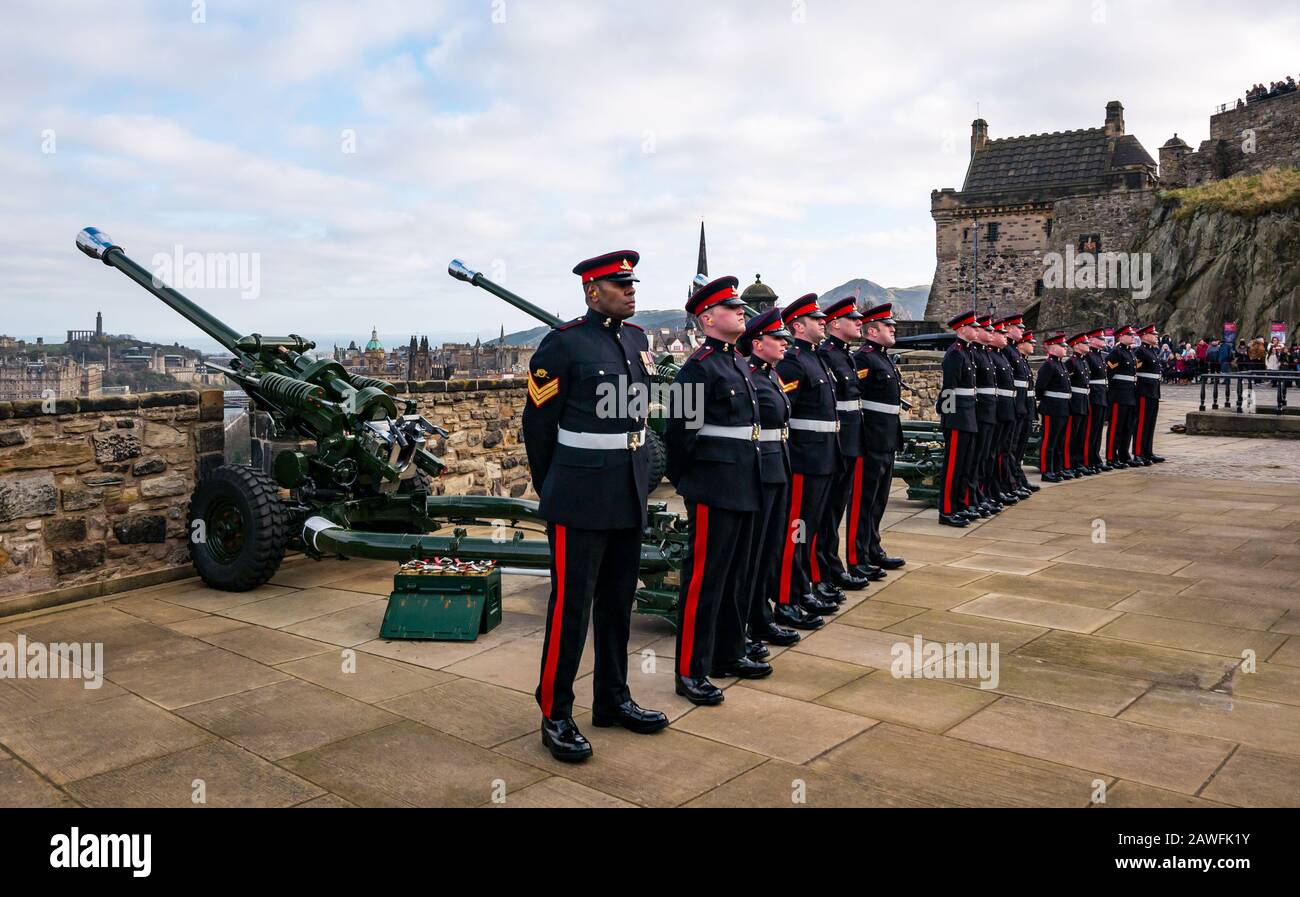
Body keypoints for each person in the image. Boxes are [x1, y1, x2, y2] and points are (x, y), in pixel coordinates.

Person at [523, 250, 668, 762]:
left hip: (627, 490)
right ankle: (555, 712)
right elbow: (538, 429)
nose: (630, 290)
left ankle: (612, 698)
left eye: (632, 283)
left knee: (617, 603)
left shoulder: (636, 340)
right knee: (570, 607)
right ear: (592, 291)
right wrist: (555, 490)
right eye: (619, 283)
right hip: (580, 496)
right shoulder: (562, 346)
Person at [665, 276, 770, 706]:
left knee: (736, 575)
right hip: (714, 487)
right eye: (732, 308)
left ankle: (728, 652)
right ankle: (691, 668)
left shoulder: (738, 363)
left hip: (745, 482)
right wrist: (693, 485)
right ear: (708, 317)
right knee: (704, 580)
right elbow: (679, 436)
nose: (741, 312)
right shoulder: (699, 367)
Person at [736, 308, 804, 652]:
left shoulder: (771, 376)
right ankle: (745, 622)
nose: (784, 344)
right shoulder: (749, 376)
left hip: (779, 468)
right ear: (758, 343)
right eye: (778, 338)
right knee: (752, 554)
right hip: (760, 472)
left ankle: (762, 616)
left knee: (769, 551)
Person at [774, 294, 838, 624]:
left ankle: (802, 589)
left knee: (808, 532)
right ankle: (786, 599)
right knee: (794, 534)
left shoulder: (818, 359)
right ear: (798, 326)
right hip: (803, 461)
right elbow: (783, 414)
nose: (823, 321)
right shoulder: (793, 361)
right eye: (816, 319)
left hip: (823, 459)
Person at [813, 296, 875, 601]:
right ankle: (820, 570)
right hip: (832, 445)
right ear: (836, 323)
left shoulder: (844, 355)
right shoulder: (826, 355)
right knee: (822, 515)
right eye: (854, 319)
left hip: (848, 441)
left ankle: (831, 566)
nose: (859, 323)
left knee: (835, 510)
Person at [849, 303, 907, 571]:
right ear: (872, 331)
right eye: (888, 325)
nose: (893, 328)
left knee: (879, 500)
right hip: (870, 439)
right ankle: (858, 555)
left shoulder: (883, 357)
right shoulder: (864, 358)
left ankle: (873, 547)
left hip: (886, 438)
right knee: (864, 500)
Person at [937, 310, 980, 526]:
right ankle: (946, 510)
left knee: (964, 464)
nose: (977, 330)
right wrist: (949, 418)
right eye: (973, 327)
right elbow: (948, 390)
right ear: (962, 329)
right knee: (953, 466)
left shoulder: (967, 352)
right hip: (957, 419)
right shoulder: (955, 353)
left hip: (968, 415)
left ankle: (959, 506)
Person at [998, 315, 1037, 497]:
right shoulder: (1008, 351)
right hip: (1012, 408)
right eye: (1018, 327)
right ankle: (1009, 483)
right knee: (1007, 449)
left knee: (1016, 448)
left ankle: (1015, 480)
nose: (1022, 330)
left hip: (1021, 407)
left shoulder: (1014, 353)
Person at [969, 316, 1002, 515]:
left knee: (984, 458)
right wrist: (952, 419)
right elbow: (950, 391)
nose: (991, 333)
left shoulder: (985, 354)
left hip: (988, 413)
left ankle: (981, 495)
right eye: (987, 330)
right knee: (974, 460)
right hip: (976, 415)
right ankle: (972, 498)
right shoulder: (966, 354)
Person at [987, 318, 1021, 500]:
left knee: (1004, 450)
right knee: (993, 453)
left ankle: (1005, 486)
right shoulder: (993, 354)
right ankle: (995, 490)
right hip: (995, 410)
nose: (1004, 336)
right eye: (1000, 333)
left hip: (1007, 408)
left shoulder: (1000, 354)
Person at [1035, 333, 1072, 482]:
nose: (1065, 348)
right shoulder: (1049, 365)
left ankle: (1057, 468)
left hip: (1063, 407)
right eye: (1062, 346)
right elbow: (1040, 387)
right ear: (1052, 348)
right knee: (1049, 441)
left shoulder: (1061, 363)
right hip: (1052, 407)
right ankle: (1046, 470)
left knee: (1059, 441)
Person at [1106, 324, 1139, 467]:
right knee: (1116, 427)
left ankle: (1124, 455)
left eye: (1132, 335)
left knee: (1127, 427)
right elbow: (1109, 374)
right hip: (1118, 395)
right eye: (1129, 335)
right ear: (1121, 337)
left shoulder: (1130, 352)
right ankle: (1111, 457)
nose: (1133, 337)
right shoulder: (1116, 353)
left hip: (1130, 394)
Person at [1133, 323, 1165, 464]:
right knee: (1141, 423)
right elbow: (1136, 370)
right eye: (1154, 335)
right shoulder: (1140, 352)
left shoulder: (1152, 351)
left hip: (1153, 390)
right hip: (1144, 390)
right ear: (1145, 336)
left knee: (1150, 423)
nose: (1156, 337)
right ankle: (1138, 452)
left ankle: (1148, 451)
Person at [1063, 332, 1093, 477]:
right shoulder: (1071, 362)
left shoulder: (1084, 361)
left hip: (1084, 401)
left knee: (1081, 434)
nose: (1088, 345)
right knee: (1071, 435)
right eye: (1085, 343)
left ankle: (1078, 463)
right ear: (1076, 346)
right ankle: (1068, 464)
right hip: (1075, 402)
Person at [1085, 328, 1112, 471]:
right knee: (1090, 430)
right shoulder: (1088, 356)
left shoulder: (1101, 355)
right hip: (1093, 396)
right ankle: (1088, 460)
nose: (1103, 341)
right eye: (1100, 339)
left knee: (1097, 430)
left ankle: (1095, 458)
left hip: (1101, 395)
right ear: (1092, 340)